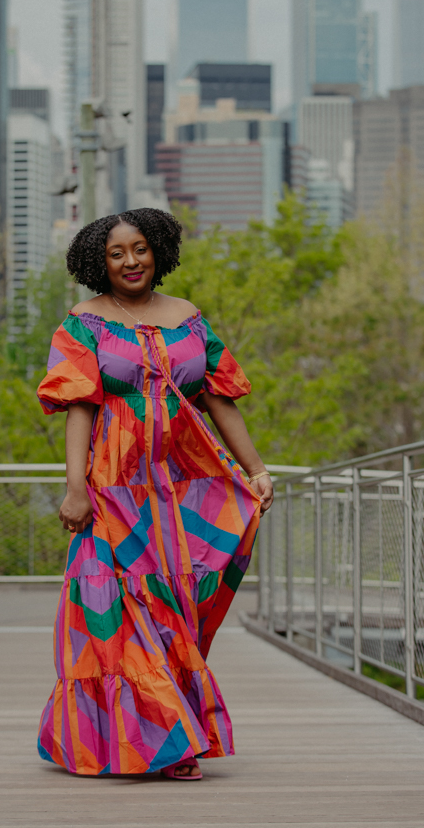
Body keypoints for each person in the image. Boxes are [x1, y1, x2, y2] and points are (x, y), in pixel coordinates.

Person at [36, 208, 273, 780]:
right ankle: (174, 743)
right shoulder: (83, 324)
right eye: (116, 253)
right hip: (114, 490)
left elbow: (220, 400)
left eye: (139, 248)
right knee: (118, 612)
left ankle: (167, 729)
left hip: (187, 491)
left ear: (157, 250)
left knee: (176, 609)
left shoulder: (189, 319)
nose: (130, 261)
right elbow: (79, 409)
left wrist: (256, 469)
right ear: (99, 261)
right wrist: (75, 489)